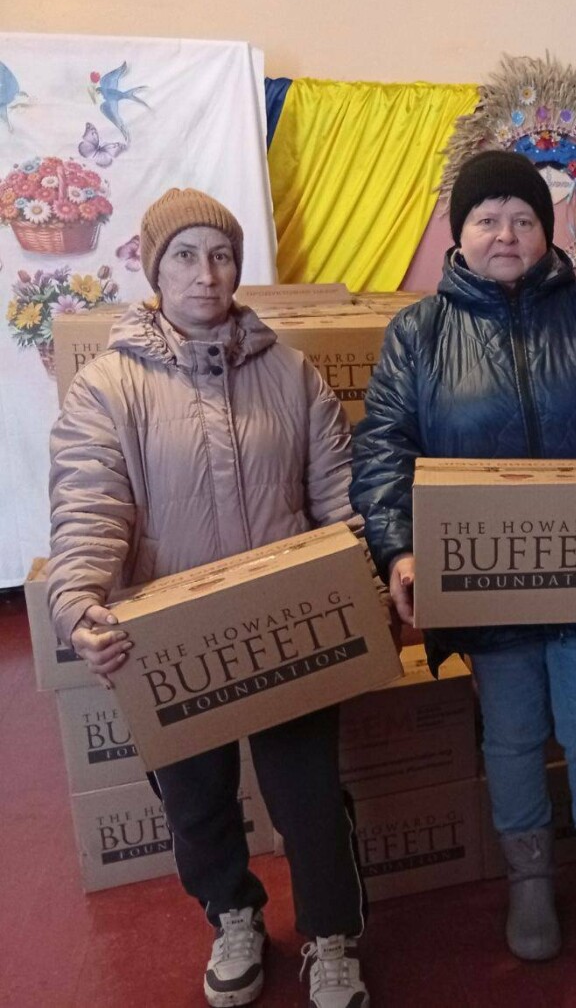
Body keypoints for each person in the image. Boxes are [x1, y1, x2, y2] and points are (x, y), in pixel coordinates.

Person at [47, 189, 370, 1008]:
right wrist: (78, 598)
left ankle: (331, 935)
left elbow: (337, 492)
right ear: (156, 270)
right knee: (195, 802)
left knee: (308, 797)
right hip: (170, 637)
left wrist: (362, 568)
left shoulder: (289, 372)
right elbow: (89, 504)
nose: (206, 273)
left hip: (289, 624)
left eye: (222, 255)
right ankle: (233, 914)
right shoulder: (108, 387)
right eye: (186, 256)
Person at [351, 149, 576, 963]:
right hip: (485, 582)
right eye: (487, 219)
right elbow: (384, 448)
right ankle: (529, 878)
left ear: (546, 230)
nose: (506, 235)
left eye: (524, 219)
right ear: (459, 233)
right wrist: (399, 550)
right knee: (512, 734)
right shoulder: (418, 334)